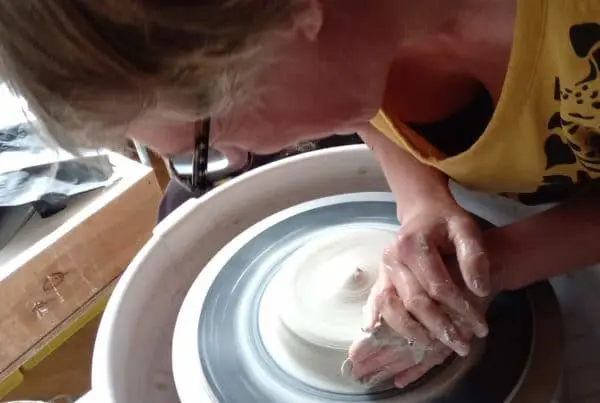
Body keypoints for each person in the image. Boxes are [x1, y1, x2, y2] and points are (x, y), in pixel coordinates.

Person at [1, 0, 600, 390]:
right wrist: (422, 200)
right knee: (182, 207)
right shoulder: (347, 33)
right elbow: (362, 93)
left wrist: (504, 261)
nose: (236, 158)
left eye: (210, 134)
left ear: (293, 14)